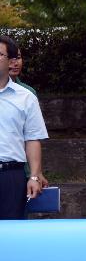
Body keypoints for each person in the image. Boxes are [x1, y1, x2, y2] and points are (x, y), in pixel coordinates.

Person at [0, 35, 48, 219]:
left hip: (11, 175)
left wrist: (34, 176)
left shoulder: (26, 97)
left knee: (11, 235)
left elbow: (32, 139)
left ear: (11, 60)